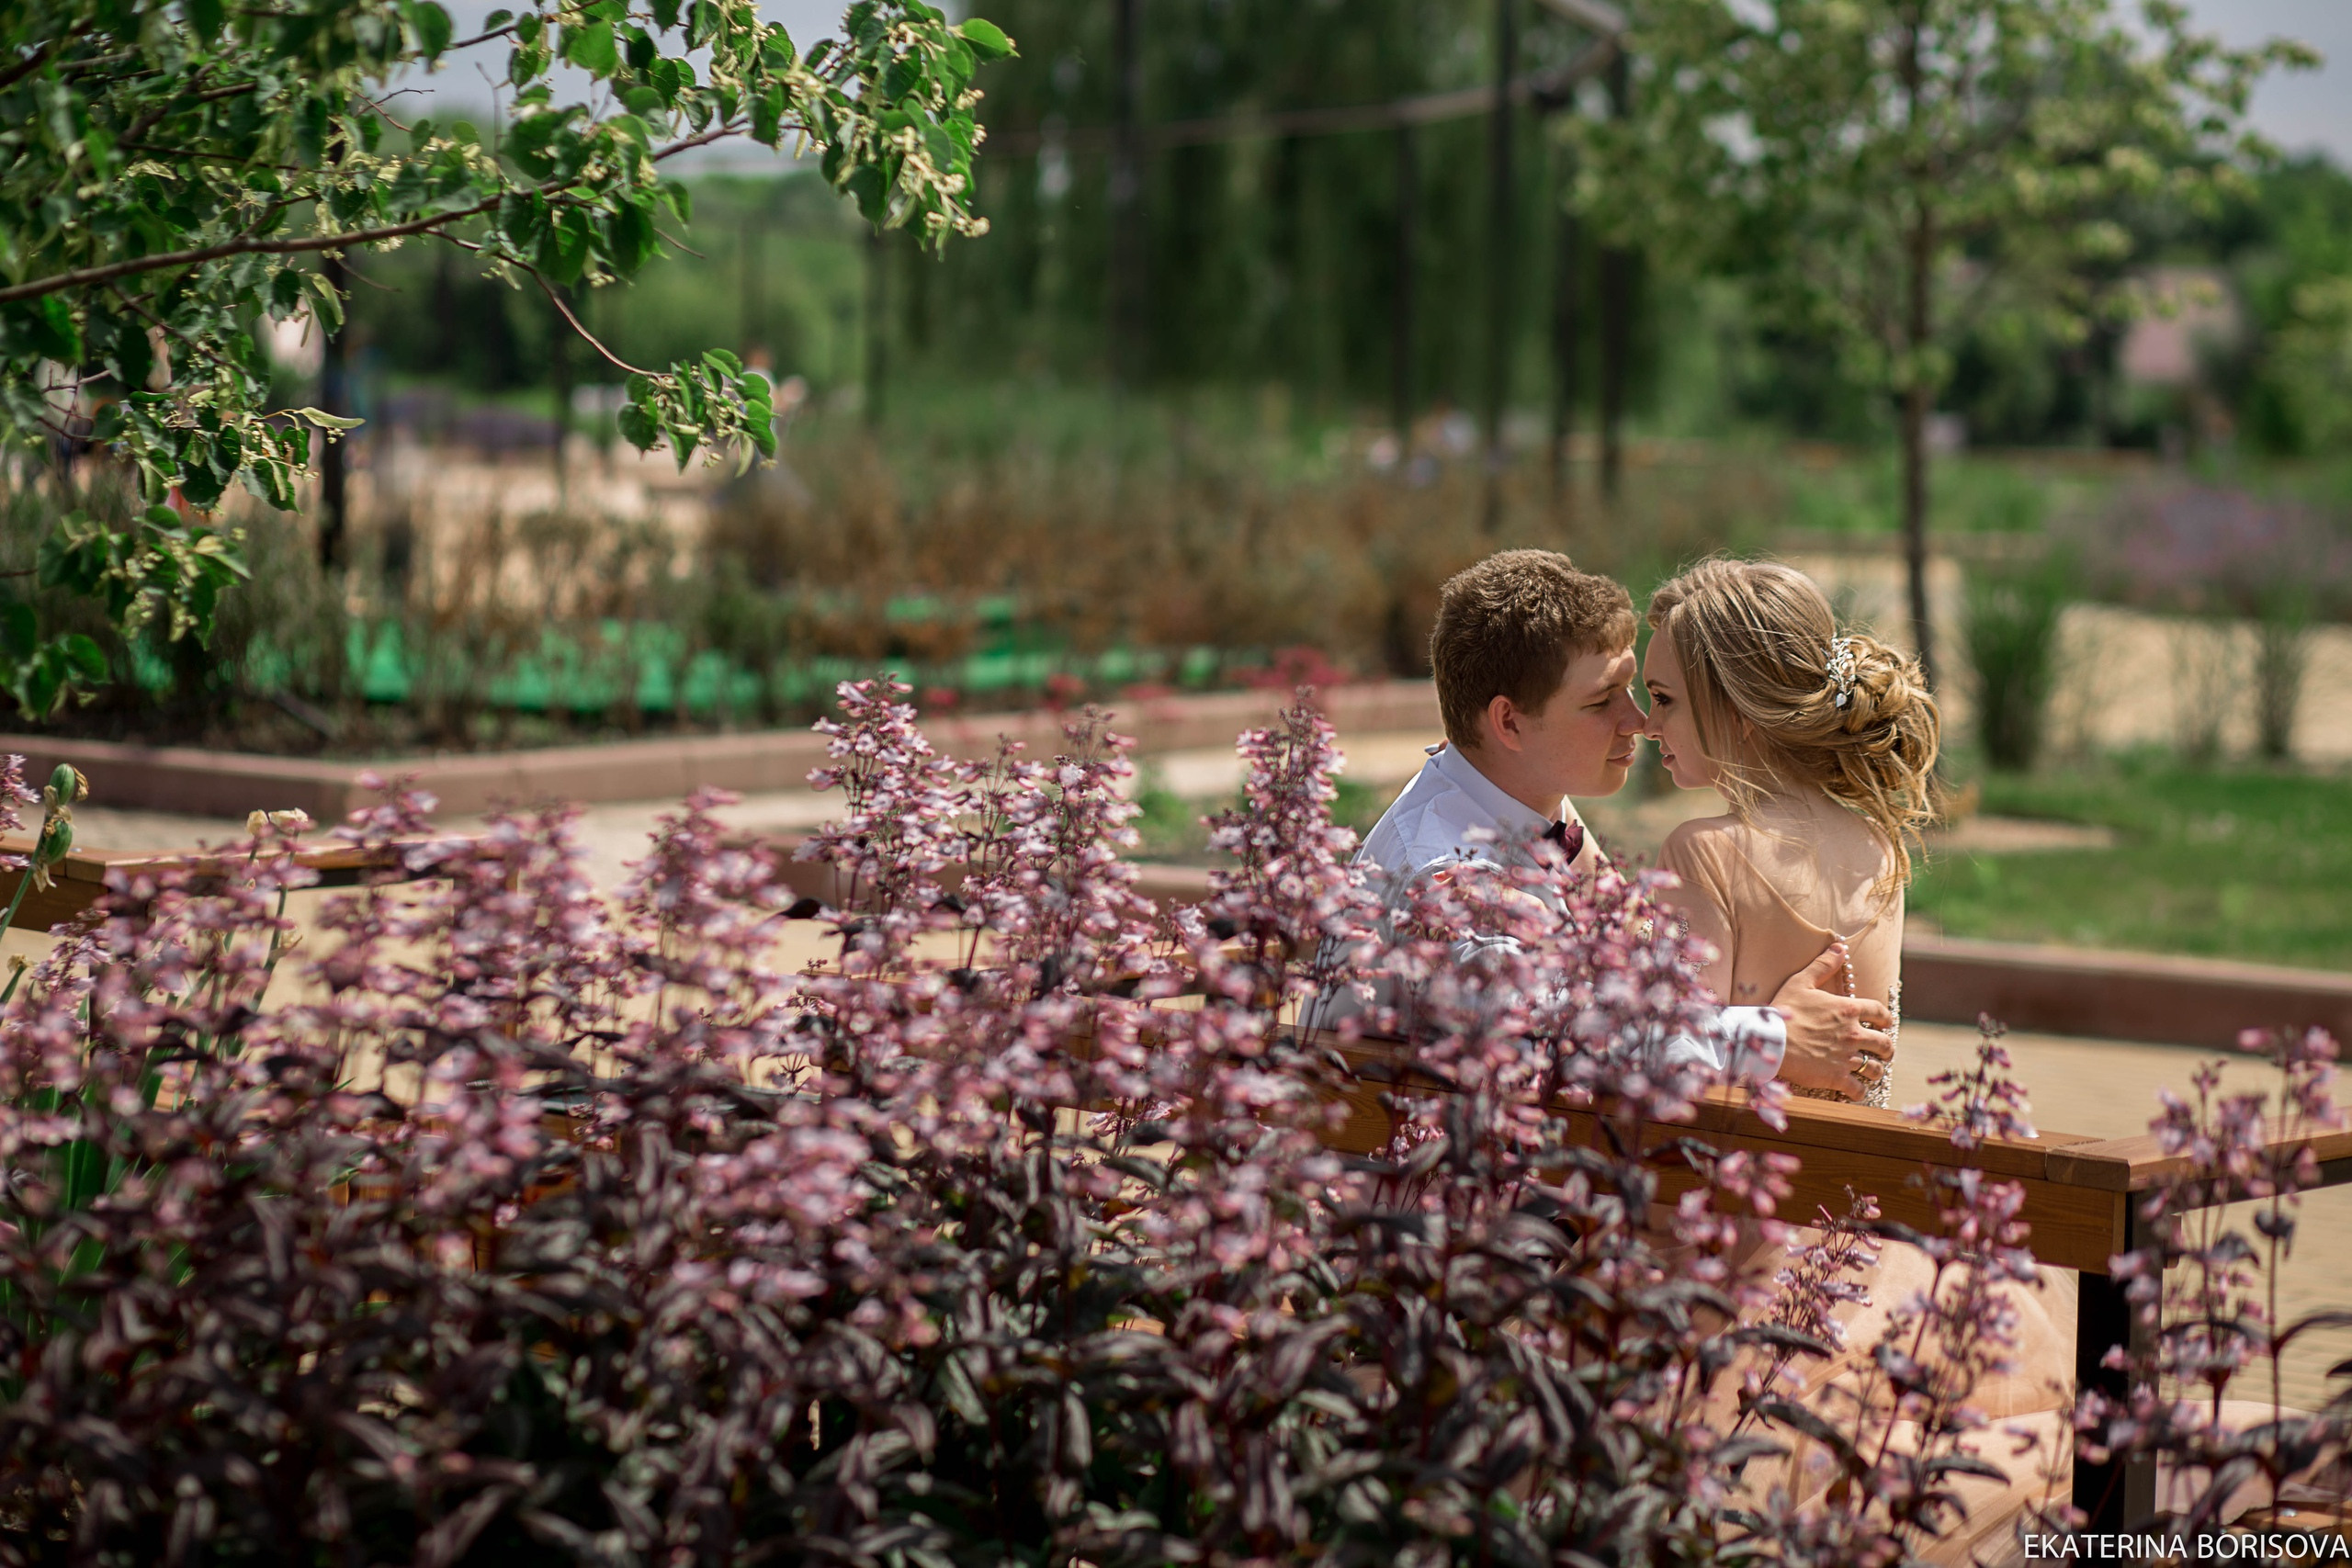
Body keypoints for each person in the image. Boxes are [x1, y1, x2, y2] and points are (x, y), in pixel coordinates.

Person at [1345, 549, 1895, 1080]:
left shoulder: (1537, 808)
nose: (1637, 720)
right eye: (1601, 700)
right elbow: (1542, 1023)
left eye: (1641, 690)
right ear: (1509, 723)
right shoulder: (1440, 867)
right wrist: (1769, 1039)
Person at [1641, 558, 1940, 1105]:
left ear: (1737, 708)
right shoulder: (1881, 848)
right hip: (1853, 1184)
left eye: (1663, 699)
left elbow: (1670, 1068)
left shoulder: (1702, 853)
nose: (1648, 725)